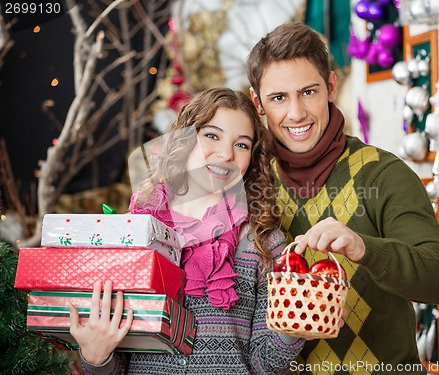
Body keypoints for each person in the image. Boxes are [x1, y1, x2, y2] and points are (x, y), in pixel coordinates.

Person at [246, 22, 439, 374]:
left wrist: (364, 248)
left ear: (330, 87)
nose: (296, 113)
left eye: (308, 92)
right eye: (279, 98)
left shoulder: (384, 173)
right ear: (259, 104)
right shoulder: (253, 183)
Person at [68, 87, 305, 374]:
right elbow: (120, 363)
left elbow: (264, 364)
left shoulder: (264, 243)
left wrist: (294, 326)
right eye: (212, 135)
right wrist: (97, 359)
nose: (226, 154)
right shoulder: (135, 231)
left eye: (242, 145)